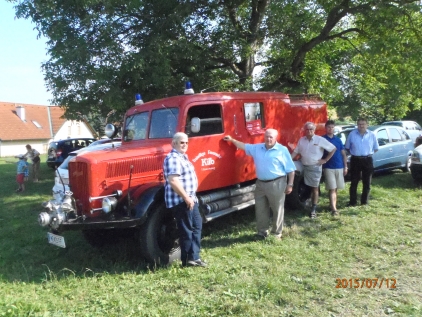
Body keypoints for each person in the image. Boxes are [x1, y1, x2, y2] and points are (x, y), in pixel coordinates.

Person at [224, 129, 296, 239]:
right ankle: (262, 232)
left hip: (276, 183)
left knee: (277, 209)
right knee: (260, 209)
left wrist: (290, 184)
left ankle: (276, 233)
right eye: (267, 136)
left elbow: (291, 169)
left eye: (271, 137)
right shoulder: (258, 148)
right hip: (260, 184)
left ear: (276, 138)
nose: (268, 139)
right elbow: (244, 146)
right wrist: (232, 140)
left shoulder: (282, 150)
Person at [163, 132, 207, 267]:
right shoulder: (173, 159)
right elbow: (173, 181)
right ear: (174, 143)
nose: (185, 145)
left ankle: (194, 257)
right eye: (182, 142)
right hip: (181, 201)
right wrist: (186, 197)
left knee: (196, 226)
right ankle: (187, 260)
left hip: (190, 199)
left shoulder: (182, 157)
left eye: (186, 142)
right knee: (187, 230)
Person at [291, 122, 336, 218]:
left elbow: (333, 149)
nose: (309, 131)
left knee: (314, 188)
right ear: (304, 130)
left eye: (311, 129)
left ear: (314, 130)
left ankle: (313, 209)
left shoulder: (320, 140)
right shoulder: (302, 140)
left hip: (314, 166)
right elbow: (295, 152)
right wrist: (288, 161)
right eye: (307, 129)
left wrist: (325, 160)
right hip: (303, 164)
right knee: (291, 169)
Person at [345, 117, 378, 206]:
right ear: (357, 125)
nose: (361, 126)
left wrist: (366, 154)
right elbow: (347, 147)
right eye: (359, 124)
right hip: (355, 159)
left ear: (367, 125)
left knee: (367, 182)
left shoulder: (372, 135)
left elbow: (376, 148)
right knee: (354, 181)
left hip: (367, 159)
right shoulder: (352, 134)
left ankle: (364, 202)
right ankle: (352, 202)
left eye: (363, 124)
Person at [322, 120, 348, 216]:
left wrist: (345, 166)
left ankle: (332, 205)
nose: (331, 129)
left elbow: (343, 154)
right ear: (326, 128)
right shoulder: (322, 139)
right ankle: (334, 209)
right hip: (328, 166)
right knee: (332, 188)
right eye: (329, 127)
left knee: (336, 188)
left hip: (339, 166)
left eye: (332, 127)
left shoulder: (338, 140)